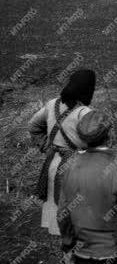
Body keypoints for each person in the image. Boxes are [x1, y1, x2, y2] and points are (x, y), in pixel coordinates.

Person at [57, 110, 117, 264]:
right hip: (112, 254)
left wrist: (68, 246)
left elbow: (63, 213)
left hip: (82, 255)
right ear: (108, 134)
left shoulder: (69, 167)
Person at [28, 69, 95, 236]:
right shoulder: (86, 113)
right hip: (78, 167)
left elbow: (33, 126)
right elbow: (97, 142)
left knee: (60, 216)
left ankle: (65, 254)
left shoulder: (52, 105)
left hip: (54, 164)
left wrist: (46, 146)